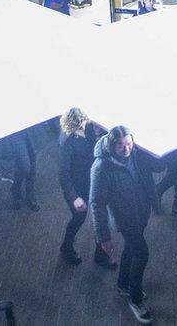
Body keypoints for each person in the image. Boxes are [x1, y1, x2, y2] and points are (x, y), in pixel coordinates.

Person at [90, 126, 161, 324]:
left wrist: (155, 205)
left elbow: (154, 172)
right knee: (141, 253)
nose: (126, 149)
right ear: (112, 145)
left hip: (141, 212)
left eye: (129, 143)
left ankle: (123, 285)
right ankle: (135, 299)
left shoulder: (137, 154)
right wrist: (103, 237)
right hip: (125, 219)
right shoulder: (101, 167)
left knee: (131, 249)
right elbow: (96, 203)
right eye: (121, 145)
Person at [58, 108, 114, 267]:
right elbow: (63, 174)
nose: (87, 122)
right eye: (83, 121)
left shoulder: (90, 127)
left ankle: (101, 255)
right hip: (78, 187)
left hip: (95, 181)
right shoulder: (67, 141)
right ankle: (66, 247)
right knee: (78, 218)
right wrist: (74, 197)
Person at [8, 125, 39, 211]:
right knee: (24, 166)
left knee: (32, 162)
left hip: (30, 129)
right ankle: (16, 190)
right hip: (15, 133)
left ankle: (30, 195)